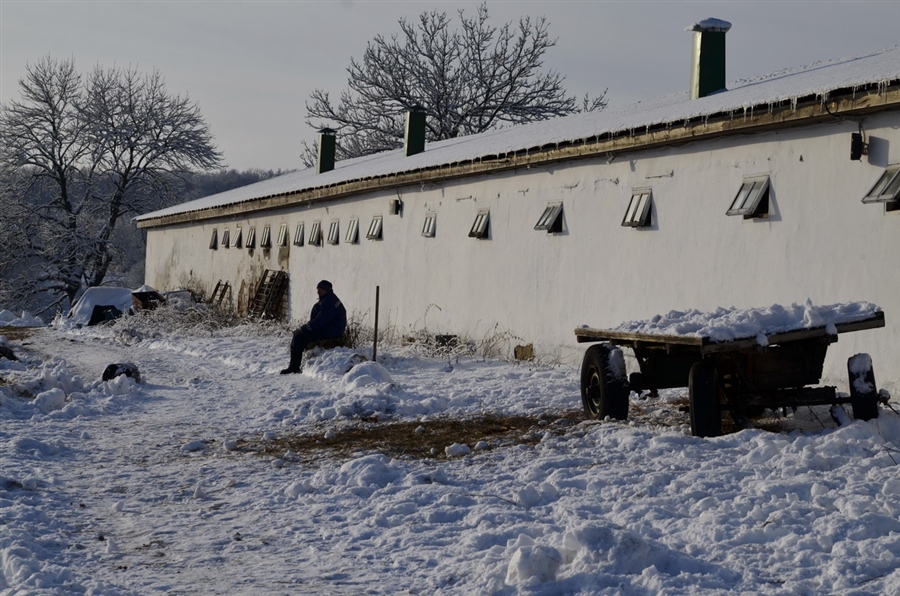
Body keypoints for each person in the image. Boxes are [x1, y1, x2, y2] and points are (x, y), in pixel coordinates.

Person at [280, 280, 347, 374]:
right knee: (300, 335)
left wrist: (303, 328)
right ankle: (294, 366)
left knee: (299, 336)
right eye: (317, 289)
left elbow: (320, 321)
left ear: (326, 290)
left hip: (333, 331)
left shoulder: (329, 301)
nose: (318, 292)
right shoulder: (327, 299)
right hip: (330, 328)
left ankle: (293, 367)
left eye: (320, 290)